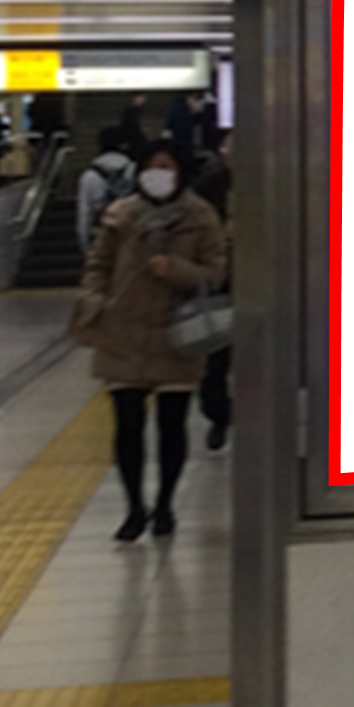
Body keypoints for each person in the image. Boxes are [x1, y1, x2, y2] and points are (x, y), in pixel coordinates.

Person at [69, 141, 228, 542]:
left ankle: (165, 504)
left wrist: (175, 269)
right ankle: (134, 507)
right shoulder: (120, 215)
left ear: (181, 172)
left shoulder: (200, 216)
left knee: (171, 425)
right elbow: (98, 264)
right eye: (150, 167)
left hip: (177, 335)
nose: (157, 175)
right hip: (124, 331)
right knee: (127, 425)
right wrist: (95, 301)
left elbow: (215, 273)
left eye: (166, 167)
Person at [191, 131, 235, 451]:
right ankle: (218, 415)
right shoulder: (208, 188)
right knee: (216, 359)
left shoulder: (277, 183)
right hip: (220, 288)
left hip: (268, 285)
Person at [76, 128, 139, 253]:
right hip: (132, 236)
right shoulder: (135, 170)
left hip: (101, 235)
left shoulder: (90, 175)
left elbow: (85, 212)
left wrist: (85, 244)